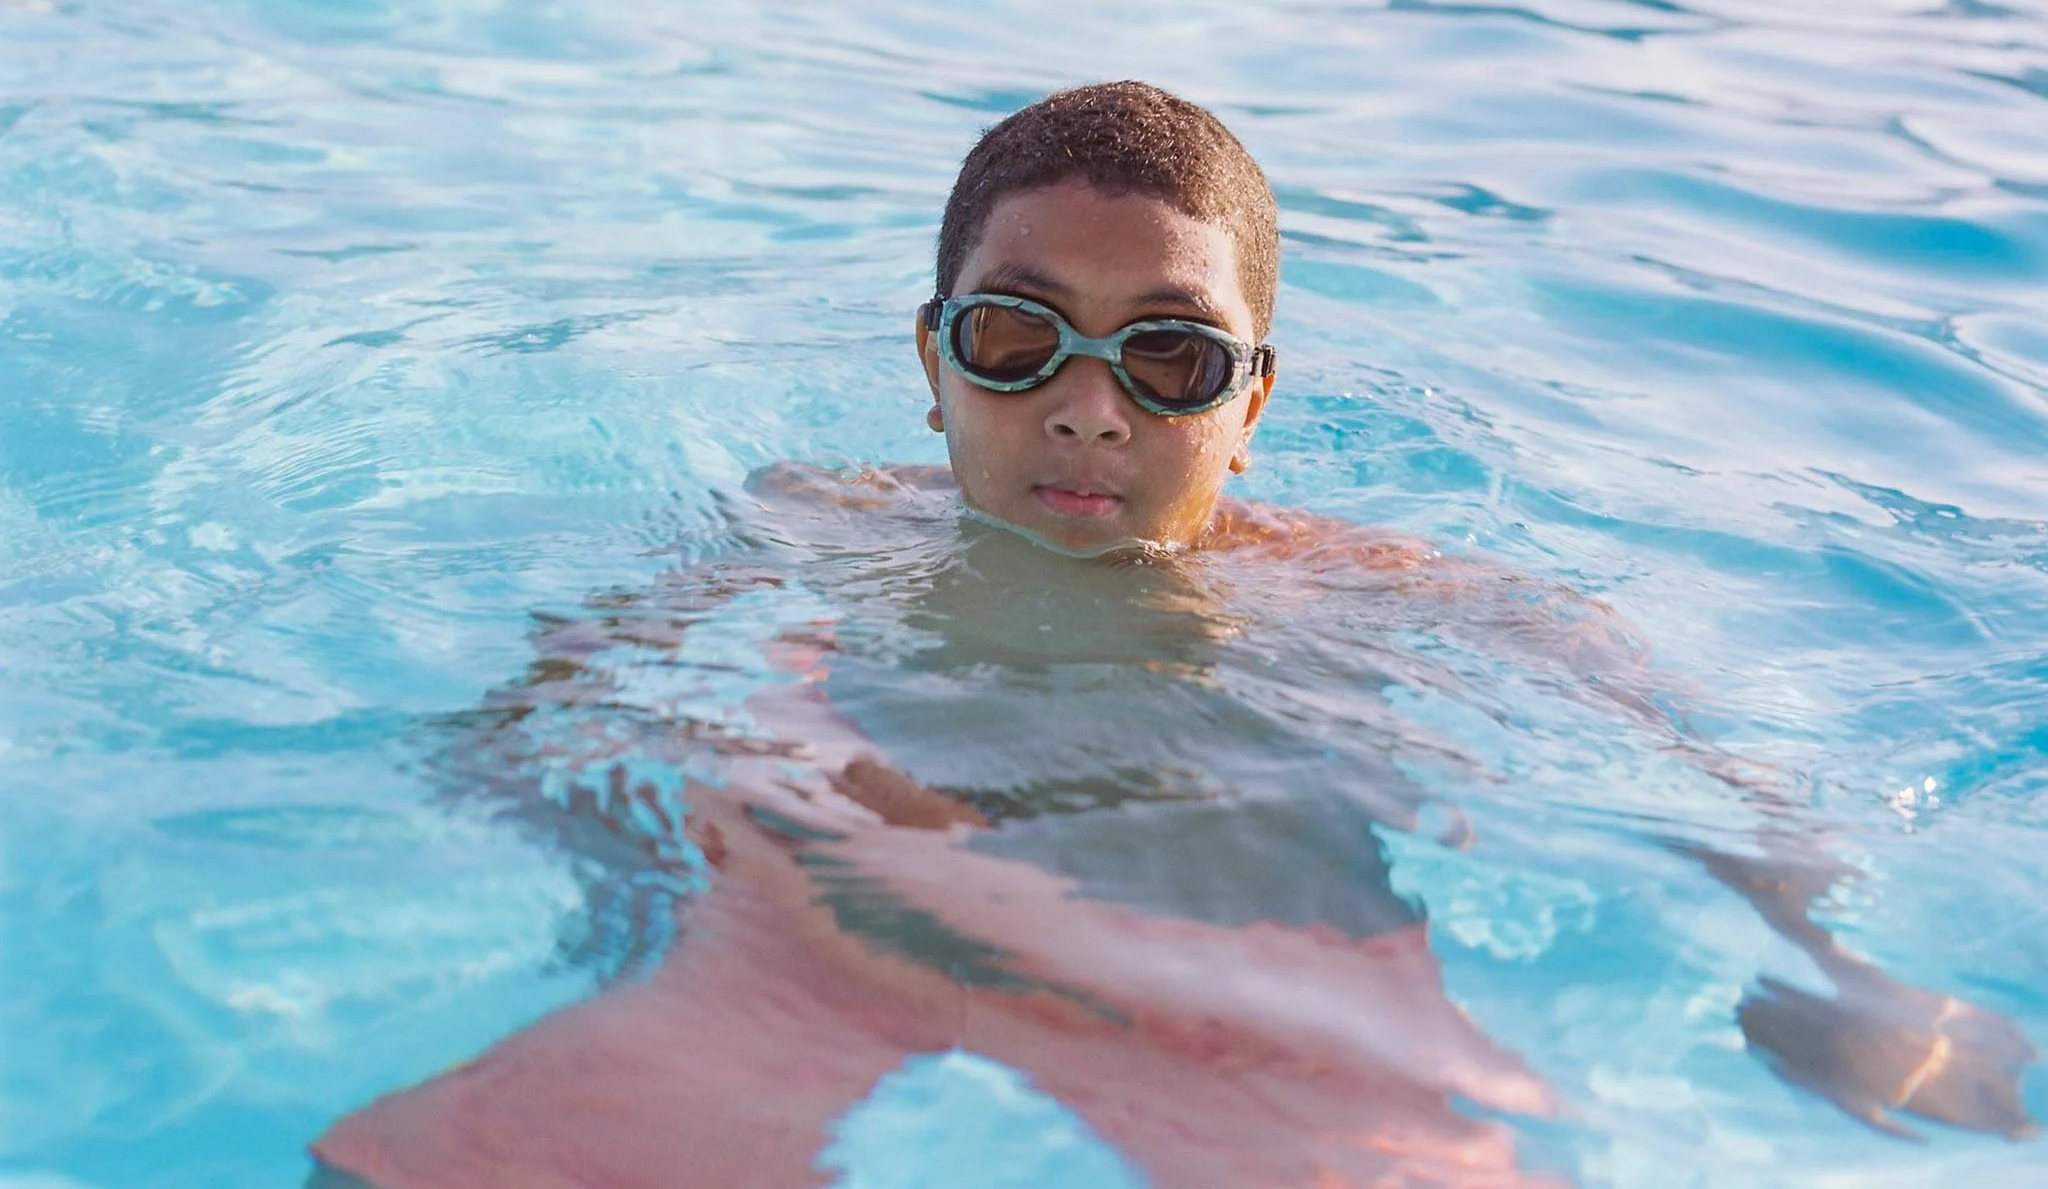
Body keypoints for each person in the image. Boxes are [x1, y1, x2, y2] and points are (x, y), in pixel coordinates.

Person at [316, 84, 2036, 1189]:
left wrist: (1862, 981)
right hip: (827, 919)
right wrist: (581, 834)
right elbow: (568, 696)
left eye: (1170, 358)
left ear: (1253, 406)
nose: (1085, 410)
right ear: (931, 364)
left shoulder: (1385, 600)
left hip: (1248, 979)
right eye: (1018, 340)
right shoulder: (808, 519)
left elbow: (1699, 769)